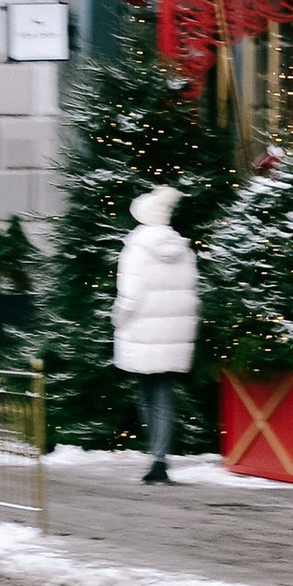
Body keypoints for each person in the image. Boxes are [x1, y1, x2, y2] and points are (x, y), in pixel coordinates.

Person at [110, 184, 198, 483]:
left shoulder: (136, 246)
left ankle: (156, 458)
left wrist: (118, 318)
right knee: (163, 395)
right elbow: (191, 294)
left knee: (146, 394)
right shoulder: (182, 248)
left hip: (142, 330)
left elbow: (130, 295)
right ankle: (160, 458)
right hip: (171, 334)